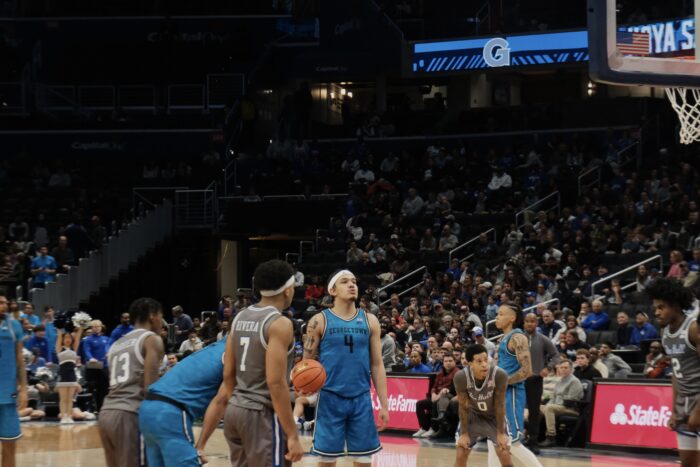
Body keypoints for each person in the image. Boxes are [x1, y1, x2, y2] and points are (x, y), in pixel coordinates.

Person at [223, 259, 304, 466]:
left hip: (235, 410)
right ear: (287, 290)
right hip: (261, 415)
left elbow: (228, 374)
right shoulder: (280, 323)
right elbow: (275, 383)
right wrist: (293, 434)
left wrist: (240, 404)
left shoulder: (239, 317)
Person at [304, 269, 389, 465]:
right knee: (326, 462)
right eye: (344, 282)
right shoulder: (318, 320)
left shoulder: (370, 320)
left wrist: (384, 405)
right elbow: (306, 364)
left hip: (361, 399)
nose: (352, 285)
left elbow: (377, 365)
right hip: (330, 398)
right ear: (332, 290)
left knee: (363, 461)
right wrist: (305, 387)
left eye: (354, 281)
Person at [139, 339, 230, 467]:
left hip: (147, 407)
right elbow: (220, 401)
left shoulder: (213, 347)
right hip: (169, 411)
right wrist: (201, 446)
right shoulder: (233, 352)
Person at [98, 298, 165, 467]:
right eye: (160, 316)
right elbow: (150, 389)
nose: (162, 322)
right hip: (130, 414)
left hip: (106, 413)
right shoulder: (151, 339)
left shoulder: (116, 344)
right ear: (152, 316)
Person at [647, 278, 700, 467]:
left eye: (661, 307)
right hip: (684, 404)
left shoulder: (693, 328)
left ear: (676, 305)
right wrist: (674, 411)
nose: (657, 312)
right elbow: (676, 375)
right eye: (655, 307)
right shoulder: (665, 334)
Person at [489, 302, 542, 467]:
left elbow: (527, 371)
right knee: (493, 439)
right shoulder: (503, 338)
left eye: (501, 314)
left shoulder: (518, 337)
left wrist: (502, 382)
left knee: (512, 442)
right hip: (499, 394)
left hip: (511, 395)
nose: (497, 317)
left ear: (512, 317)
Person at [454, 344, 512, 467]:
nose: (484, 364)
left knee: (504, 453)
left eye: (486, 360)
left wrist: (501, 433)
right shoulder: (461, 377)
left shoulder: (499, 375)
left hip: (494, 417)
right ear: (470, 363)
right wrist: (464, 434)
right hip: (472, 416)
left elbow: (500, 405)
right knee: (461, 453)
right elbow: (463, 406)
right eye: (479, 361)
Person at [522, 313, 559, 452]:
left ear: (536, 323)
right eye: (527, 321)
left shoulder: (543, 339)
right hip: (518, 380)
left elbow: (556, 356)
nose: (530, 324)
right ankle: (514, 439)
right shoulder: (518, 339)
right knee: (515, 409)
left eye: (532, 321)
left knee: (534, 411)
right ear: (524, 323)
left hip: (535, 380)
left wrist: (547, 368)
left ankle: (533, 441)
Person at [0, 294, 27, 467]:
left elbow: (19, 358)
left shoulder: (14, 325)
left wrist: (24, 388)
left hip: (7, 394)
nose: (3, 305)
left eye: (4, 302)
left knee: (9, 446)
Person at [538, 360, 584, 448]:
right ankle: (535, 435)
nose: (563, 369)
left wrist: (551, 405)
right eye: (561, 367)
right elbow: (553, 397)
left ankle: (551, 437)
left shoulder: (574, 381)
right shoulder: (560, 381)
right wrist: (547, 405)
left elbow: (571, 400)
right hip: (557, 406)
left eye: (565, 368)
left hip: (570, 409)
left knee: (549, 408)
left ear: (571, 369)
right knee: (538, 407)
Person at [413, 354, 458, 438]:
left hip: (448, 398)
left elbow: (454, 388)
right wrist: (433, 393)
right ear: (443, 363)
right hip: (437, 396)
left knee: (436, 402)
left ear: (454, 362)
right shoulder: (440, 373)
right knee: (420, 404)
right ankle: (424, 427)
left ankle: (433, 428)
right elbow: (434, 386)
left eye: (450, 361)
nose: (448, 363)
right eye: (446, 361)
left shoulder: (457, 373)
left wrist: (441, 393)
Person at [55, 326, 83, 423]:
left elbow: (78, 338)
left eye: (69, 338)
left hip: (72, 377)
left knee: (70, 399)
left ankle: (69, 416)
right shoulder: (59, 349)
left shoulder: (74, 349)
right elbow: (58, 337)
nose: (67, 339)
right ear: (63, 339)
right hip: (63, 376)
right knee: (63, 399)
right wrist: (59, 329)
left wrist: (81, 327)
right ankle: (63, 416)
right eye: (65, 338)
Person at [84, 320, 110, 411]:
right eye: (94, 326)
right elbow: (87, 351)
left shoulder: (106, 339)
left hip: (104, 367)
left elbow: (108, 348)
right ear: (91, 328)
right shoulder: (88, 340)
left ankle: (101, 408)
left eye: (98, 326)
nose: (96, 328)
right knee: (91, 388)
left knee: (103, 389)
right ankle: (89, 408)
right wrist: (91, 358)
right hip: (93, 367)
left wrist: (108, 352)